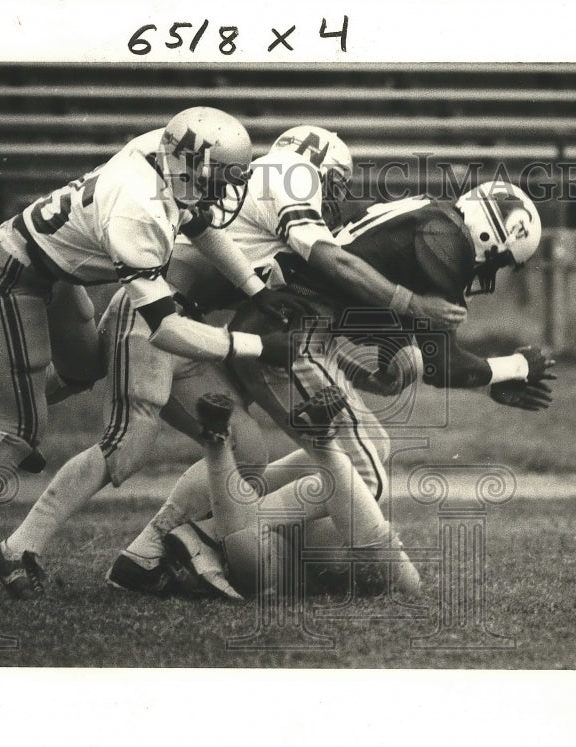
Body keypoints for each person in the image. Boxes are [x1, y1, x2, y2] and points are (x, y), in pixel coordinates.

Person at [0, 106, 310, 601]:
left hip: (54, 272)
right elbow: (164, 329)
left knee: (81, 369)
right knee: (19, 433)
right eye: (218, 178)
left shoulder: (164, 158)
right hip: (10, 275)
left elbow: (199, 223)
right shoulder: (137, 208)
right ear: (187, 163)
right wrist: (257, 345)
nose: (223, 192)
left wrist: (254, 290)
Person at [106, 125, 468, 593]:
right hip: (164, 324)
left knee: (245, 448)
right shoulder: (293, 178)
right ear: (322, 168)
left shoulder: (257, 190)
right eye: (336, 184)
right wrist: (413, 305)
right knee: (121, 452)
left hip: (180, 327)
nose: (335, 199)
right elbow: (331, 265)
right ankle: (196, 539)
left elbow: (296, 307)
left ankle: (146, 553)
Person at [153, 180, 557, 597]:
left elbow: (414, 343)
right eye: (500, 262)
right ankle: (210, 535)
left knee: (367, 453)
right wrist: (519, 365)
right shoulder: (445, 241)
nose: (491, 273)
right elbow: (442, 364)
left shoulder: (432, 218)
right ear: (491, 237)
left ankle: (196, 533)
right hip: (293, 339)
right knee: (368, 480)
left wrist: (489, 386)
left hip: (291, 331)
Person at [169, 387, 420, 601]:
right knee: (401, 582)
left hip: (269, 523)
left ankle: (221, 444)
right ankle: (320, 443)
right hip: (296, 529)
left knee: (256, 559)